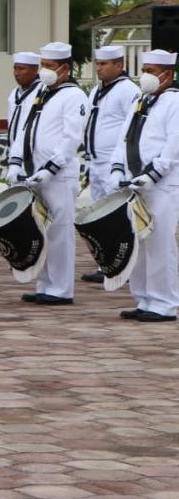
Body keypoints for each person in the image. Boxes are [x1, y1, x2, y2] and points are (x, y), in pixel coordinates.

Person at [7, 42, 89, 306]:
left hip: (59, 176)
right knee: (40, 230)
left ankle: (61, 289)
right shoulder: (40, 92)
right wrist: (15, 162)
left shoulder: (73, 95)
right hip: (34, 172)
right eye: (43, 65)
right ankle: (45, 284)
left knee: (60, 231)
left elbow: (71, 136)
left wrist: (51, 168)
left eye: (50, 66)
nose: (44, 71)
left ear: (65, 68)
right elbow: (24, 128)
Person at [111, 49, 179, 322]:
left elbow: (173, 147)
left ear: (168, 74)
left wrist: (152, 174)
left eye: (152, 71)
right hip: (134, 183)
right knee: (138, 241)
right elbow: (124, 138)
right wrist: (117, 168)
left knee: (160, 243)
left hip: (161, 185)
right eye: (145, 70)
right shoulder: (141, 100)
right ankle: (144, 299)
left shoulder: (175, 102)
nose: (146, 76)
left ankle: (164, 303)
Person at [82, 45, 141, 284]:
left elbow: (131, 128)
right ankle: (106, 262)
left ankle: (126, 264)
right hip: (95, 161)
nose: (99, 68)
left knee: (118, 216)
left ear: (120, 65)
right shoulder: (97, 90)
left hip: (115, 163)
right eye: (97, 64)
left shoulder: (128, 90)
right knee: (100, 215)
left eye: (104, 64)